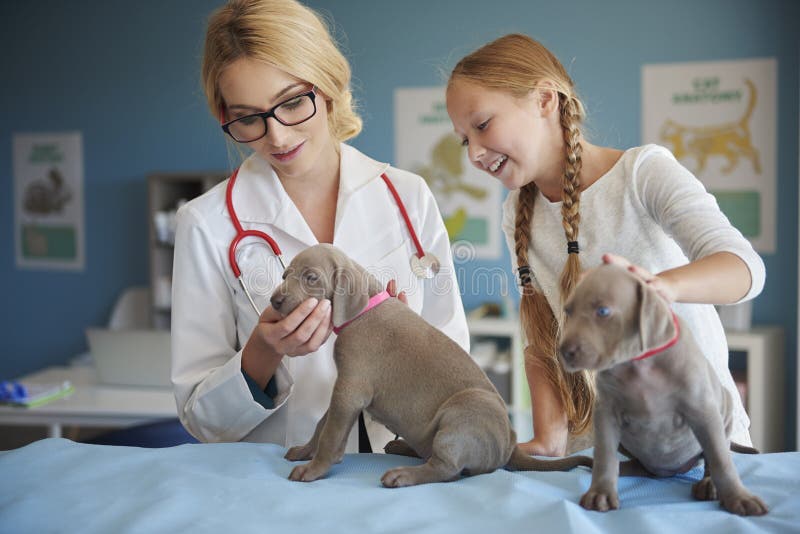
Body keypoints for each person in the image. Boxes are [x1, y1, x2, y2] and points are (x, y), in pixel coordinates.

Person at [446, 33, 764, 456]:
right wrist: (548, 440)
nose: (474, 154)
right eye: (465, 139)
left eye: (483, 125)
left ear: (545, 100)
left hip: (702, 446)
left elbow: (744, 267)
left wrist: (658, 289)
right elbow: (542, 342)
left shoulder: (642, 174)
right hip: (604, 458)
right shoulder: (515, 213)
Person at [171, 0, 469, 453]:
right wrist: (264, 352)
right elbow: (201, 420)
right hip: (281, 480)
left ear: (328, 86)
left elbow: (454, 366)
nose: (278, 136)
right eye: (249, 117)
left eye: (292, 103)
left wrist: (408, 348)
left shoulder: (408, 198)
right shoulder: (205, 224)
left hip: (403, 467)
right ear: (223, 116)